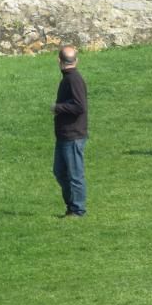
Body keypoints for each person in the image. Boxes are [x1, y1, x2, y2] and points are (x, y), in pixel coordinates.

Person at [51, 45, 88, 217]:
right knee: (60, 171)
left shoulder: (74, 79)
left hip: (73, 135)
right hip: (65, 134)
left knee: (75, 175)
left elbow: (80, 106)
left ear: (59, 61)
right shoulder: (69, 78)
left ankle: (77, 210)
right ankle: (72, 206)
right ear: (76, 61)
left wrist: (58, 107)